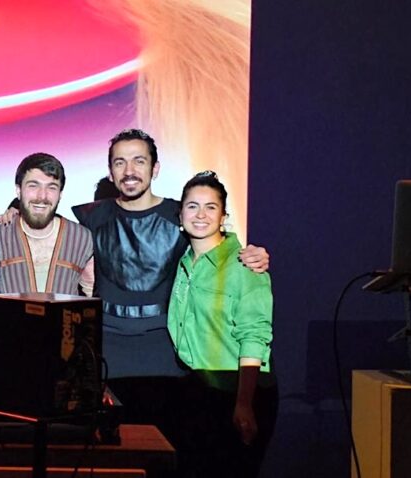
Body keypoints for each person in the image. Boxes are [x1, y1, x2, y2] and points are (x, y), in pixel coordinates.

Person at [71, 128, 268, 457]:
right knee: (111, 461)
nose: (130, 170)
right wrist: (6, 219)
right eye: (120, 162)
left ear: (155, 168)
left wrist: (251, 254)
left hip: (168, 360)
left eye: (139, 161)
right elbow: (45, 236)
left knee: (167, 459)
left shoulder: (182, 216)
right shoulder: (90, 217)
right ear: (110, 170)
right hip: (108, 361)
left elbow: (219, 247)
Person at [168, 171, 276, 478]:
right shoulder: (184, 261)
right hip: (200, 390)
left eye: (210, 207)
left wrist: (244, 403)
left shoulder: (245, 264)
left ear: (223, 216)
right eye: (192, 206)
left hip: (239, 391)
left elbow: (255, 335)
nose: (200, 214)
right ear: (180, 215)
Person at [0, 153, 92, 295]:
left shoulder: (82, 239)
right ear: (18, 191)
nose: (42, 196)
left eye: (52, 187)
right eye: (33, 186)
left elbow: (92, 295)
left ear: (60, 194)